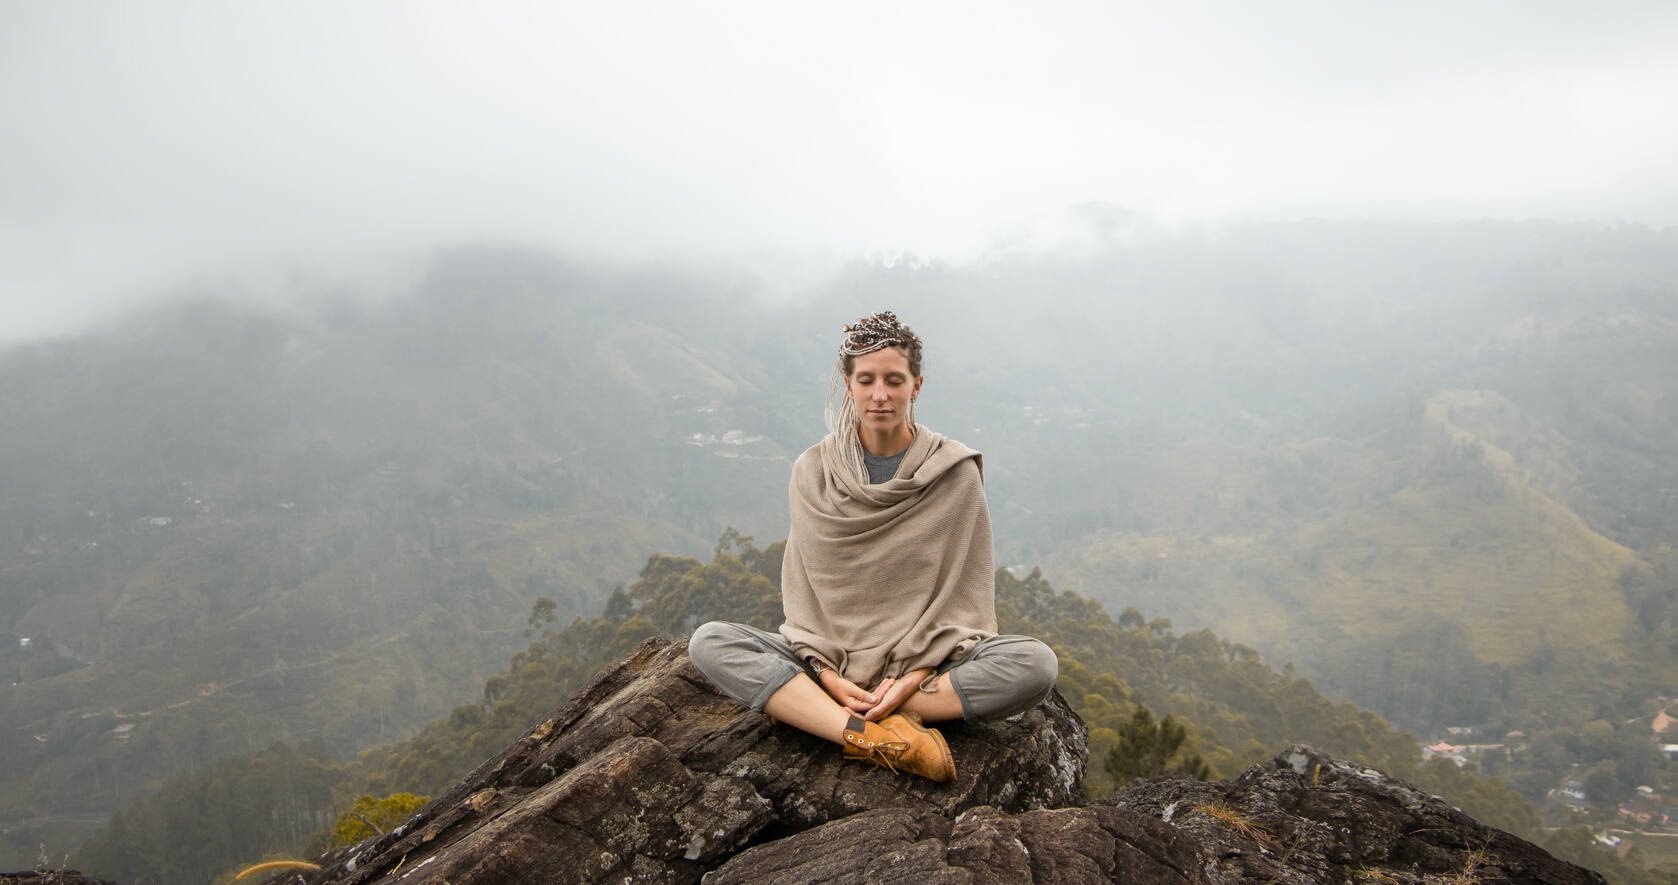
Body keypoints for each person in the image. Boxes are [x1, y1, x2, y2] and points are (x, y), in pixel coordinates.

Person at [689, 311, 1058, 782]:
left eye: (893, 380)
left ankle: (840, 715)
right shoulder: (814, 470)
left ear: (916, 385)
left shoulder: (953, 473)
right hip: (830, 659)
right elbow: (806, 594)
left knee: (1034, 665)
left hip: (923, 666)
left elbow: (962, 596)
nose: (879, 394)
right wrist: (826, 673)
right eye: (866, 380)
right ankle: (873, 735)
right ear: (849, 385)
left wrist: (907, 680)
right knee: (710, 642)